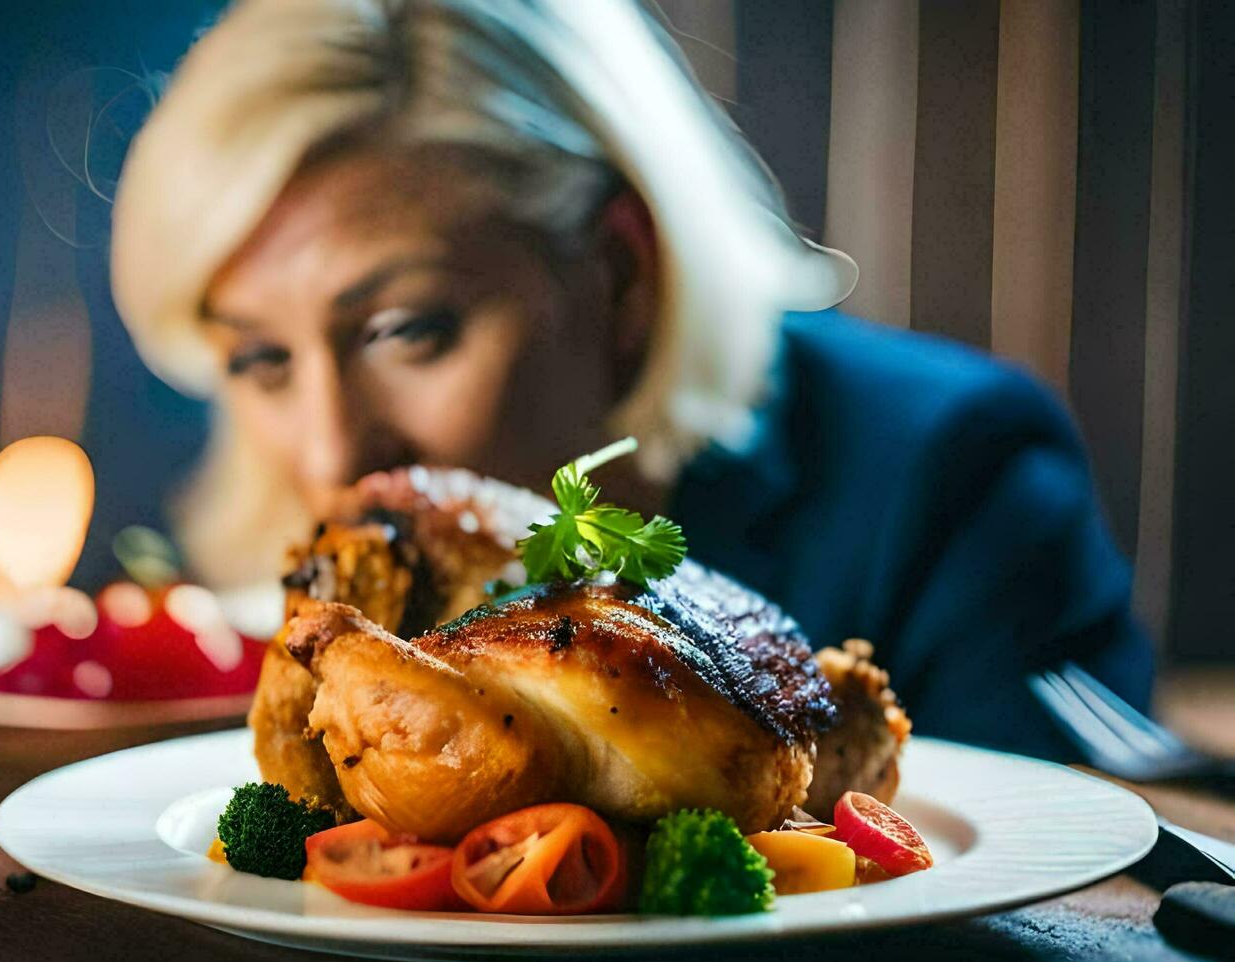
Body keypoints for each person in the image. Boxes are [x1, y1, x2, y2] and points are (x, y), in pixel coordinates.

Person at [108, 0, 1151, 758]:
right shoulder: (310, 586)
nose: (330, 451)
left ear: (618, 274)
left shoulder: (959, 475)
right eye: (261, 358)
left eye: (409, 329)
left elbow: (1063, 895)